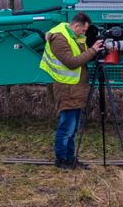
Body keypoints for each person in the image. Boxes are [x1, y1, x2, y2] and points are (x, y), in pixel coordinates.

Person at [40, 12, 106, 169]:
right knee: (66, 128)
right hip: (67, 89)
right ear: (76, 26)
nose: (84, 33)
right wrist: (93, 50)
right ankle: (62, 160)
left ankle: (70, 159)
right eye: (83, 30)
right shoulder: (59, 38)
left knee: (73, 128)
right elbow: (71, 62)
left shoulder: (73, 35)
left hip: (75, 88)